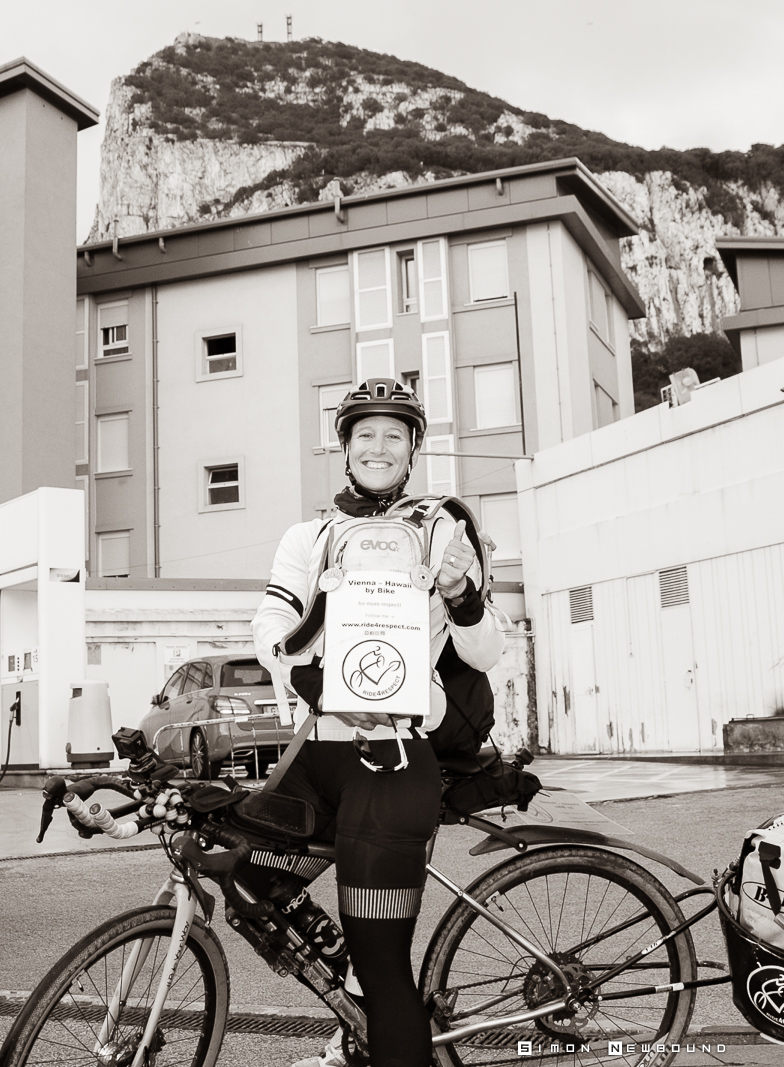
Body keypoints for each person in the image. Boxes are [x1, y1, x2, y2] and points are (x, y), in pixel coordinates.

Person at [252, 378, 504, 1067]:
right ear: (345, 446)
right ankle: (355, 1005)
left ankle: (374, 999)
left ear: (413, 449)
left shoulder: (444, 528)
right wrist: (302, 672)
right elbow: (270, 622)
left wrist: (461, 592)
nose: (379, 446)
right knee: (246, 875)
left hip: (390, 762)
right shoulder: (308, 536)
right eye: (365, 433)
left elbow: (486, 651)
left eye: (395, 434)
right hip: (316, 755)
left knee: (384, 964)